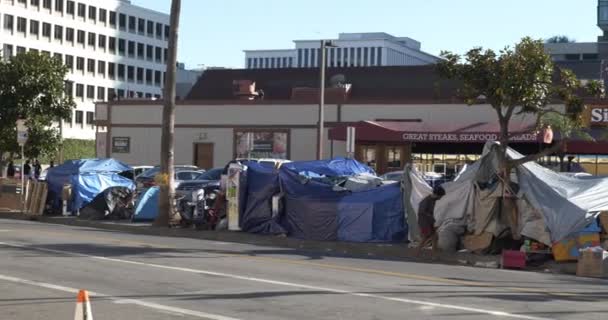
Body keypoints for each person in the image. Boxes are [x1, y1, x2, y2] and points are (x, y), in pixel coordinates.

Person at [416, 186, 446, 257]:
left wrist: (432, 219)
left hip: (429, 222)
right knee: (425, 237)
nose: (440, 198)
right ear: (436, 194)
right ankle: (416, 253)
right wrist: (430, 217)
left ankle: (434, 254)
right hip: (424, 222)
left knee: (435, 237)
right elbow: (421, 211)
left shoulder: (433, 200)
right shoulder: (426, 201)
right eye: (440, 196)